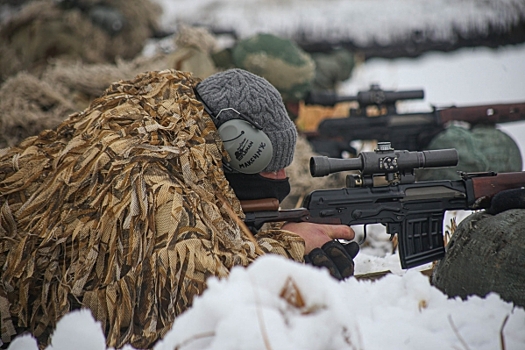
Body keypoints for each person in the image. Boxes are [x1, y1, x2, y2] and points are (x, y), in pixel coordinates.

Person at [0, 68, 358, 349]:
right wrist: (289, 246)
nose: (281, 179)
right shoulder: (147, 176)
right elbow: (181, 296)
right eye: (270, 166)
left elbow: (202, 221)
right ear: (235, 146)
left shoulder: (170, 125)